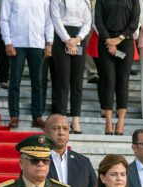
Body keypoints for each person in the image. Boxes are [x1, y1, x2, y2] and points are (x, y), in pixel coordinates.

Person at [1, 0, 53, 129]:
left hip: (37, 43)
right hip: (17, 43)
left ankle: (37, 116)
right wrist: (7, 41)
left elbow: (48, 21)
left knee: (38, 83)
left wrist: (49, 42)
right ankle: (14, 116)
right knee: (14, 81)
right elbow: (4, 19)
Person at [94, 0, 140, 135]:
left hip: (125, 42)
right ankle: (108, 122)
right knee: (108, 79)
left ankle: (120, 122)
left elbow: (134, 22)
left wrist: (119, 39)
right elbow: (98, 21)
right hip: (105, 42)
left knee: (123, 81)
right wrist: (109, 40)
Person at [50, 0, 92, 134]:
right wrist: (68, 40)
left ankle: (75, 120)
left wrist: (77, 39)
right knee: (63, 81)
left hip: (79, 38)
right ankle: (62, 120)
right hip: (62, 36)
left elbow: (88, 21)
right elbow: (55, 19)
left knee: (77, 82)